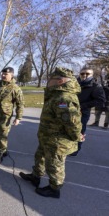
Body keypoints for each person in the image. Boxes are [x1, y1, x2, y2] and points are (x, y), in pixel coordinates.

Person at [19, 67, 82, 198]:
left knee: (54, 164)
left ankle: (54, 189)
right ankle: (36, 176)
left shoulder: (63, 98)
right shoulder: (56, 95)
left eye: (51, 78)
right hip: (47, 138)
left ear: (60, 81)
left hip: (57, 141)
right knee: (40, 157)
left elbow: (72, 122)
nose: (48, 81)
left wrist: (77, 136)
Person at [69, 67, 105, 156]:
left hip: (82, 112)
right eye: (82, 73)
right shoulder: (74, 84)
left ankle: (75, 150)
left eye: (87, 74)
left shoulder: (96, 86)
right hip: (69, 111)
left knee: (79, 131)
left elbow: (100, 100)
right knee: (67, 129)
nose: (84, 75)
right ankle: (67, 147)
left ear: (92, 75)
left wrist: (82, 106)